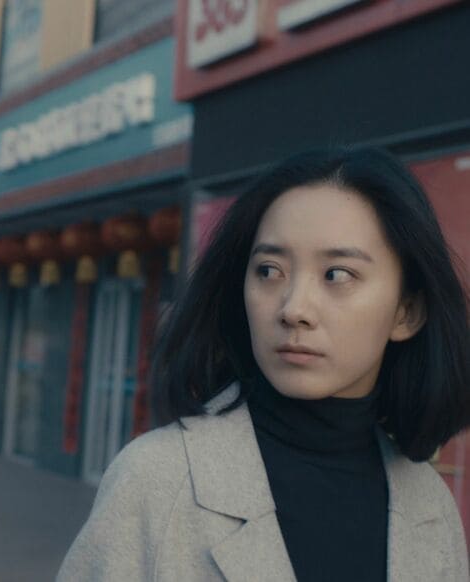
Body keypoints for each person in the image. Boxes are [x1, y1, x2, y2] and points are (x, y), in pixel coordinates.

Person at [57, 147, 470, 581]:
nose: (294, 309)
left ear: (407, 312)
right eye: (270, 271)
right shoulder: (155, 480)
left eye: (337, 275)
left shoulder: (431, 507)